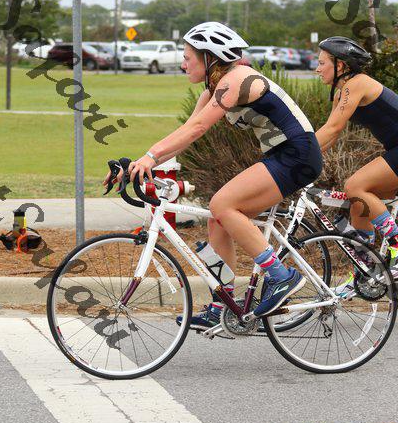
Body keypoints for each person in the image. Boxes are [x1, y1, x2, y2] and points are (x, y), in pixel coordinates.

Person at [107, 22, 323, 330]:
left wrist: (150, 157)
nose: (183, 64)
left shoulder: (236, 79)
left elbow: (198, 128)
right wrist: (138, 165)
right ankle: (222, 304)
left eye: (188, 57)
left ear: (209, 57)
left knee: (222, 204)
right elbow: (185, 135)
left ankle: (281, 276)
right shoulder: (214, 88)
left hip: (297, 154)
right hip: (281, 155)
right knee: (217, 219)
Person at [316, 36, 398, 291]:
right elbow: (331, 135)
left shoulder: (358, 83)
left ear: (340, 65)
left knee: (355, 186)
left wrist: (294, 153)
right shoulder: (341, 92)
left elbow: (332, 129)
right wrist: (302, 159)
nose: (317, 69)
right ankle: (365, 273)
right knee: (359, 205)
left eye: (322, 63)